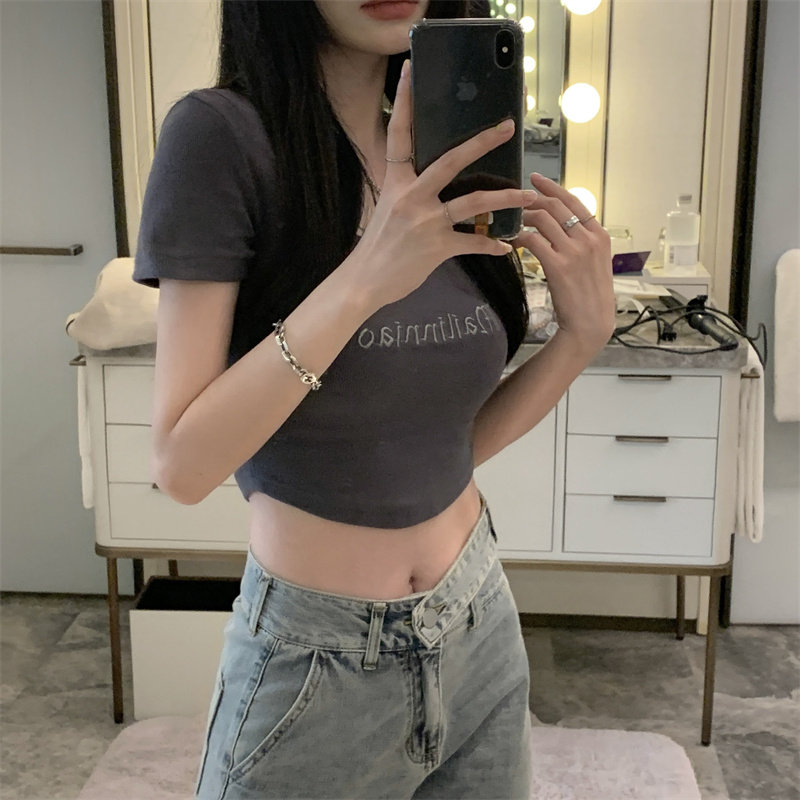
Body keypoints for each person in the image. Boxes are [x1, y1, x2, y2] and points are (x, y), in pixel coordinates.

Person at [132, 0, 614, 797]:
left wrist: (580, 339)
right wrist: (363, 279)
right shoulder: (220, 138)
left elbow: (444, 450)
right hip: (317, 658)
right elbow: (180, 467)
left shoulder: (441, 154)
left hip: (478, 622)